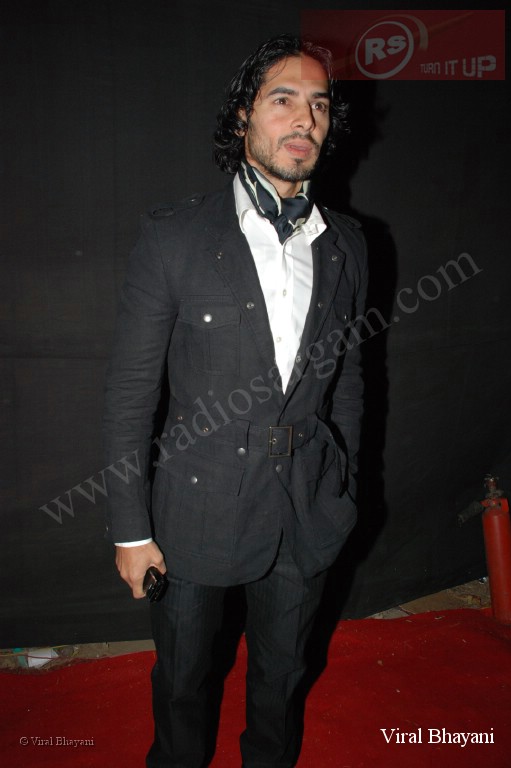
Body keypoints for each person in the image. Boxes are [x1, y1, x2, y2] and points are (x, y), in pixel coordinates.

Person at [103, 33, 368, 768]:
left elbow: (348, 378)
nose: (304, 119)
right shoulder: (175, 236)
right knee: (183, 686)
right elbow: (131, 393)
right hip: (193, 511)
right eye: (283, 99)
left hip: (306, 506)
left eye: (319, 104)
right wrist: (130, 530)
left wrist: (341, 484)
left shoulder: (347, 244)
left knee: (282, 681)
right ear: (243, 116)